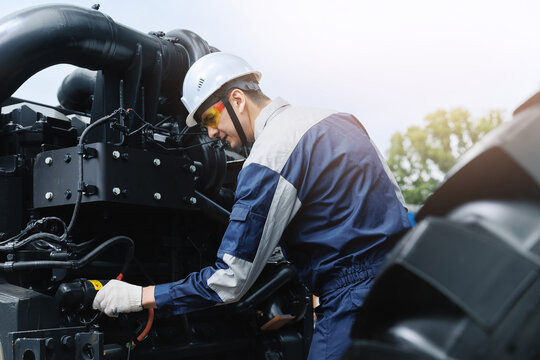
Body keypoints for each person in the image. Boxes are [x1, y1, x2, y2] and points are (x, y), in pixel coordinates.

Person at [93, 52, 411, 359]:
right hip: (403, 286)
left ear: (237, 100)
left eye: (210, 118)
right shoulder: (340, 120)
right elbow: (389, 201)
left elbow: (230, 280)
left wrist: (141, 297)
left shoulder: (268, 156)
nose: (211, 133)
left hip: (351, 304)